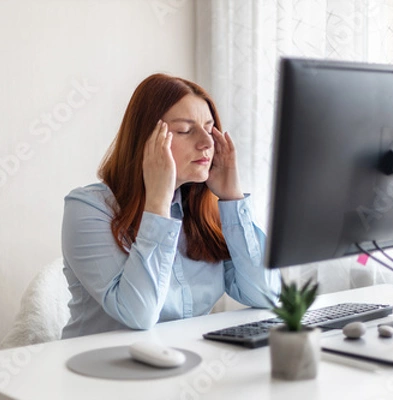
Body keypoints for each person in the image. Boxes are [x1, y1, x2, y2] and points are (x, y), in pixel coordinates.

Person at [61, 73, 280, 338]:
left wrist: (232, 197)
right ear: (145, 142)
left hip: (185, 367)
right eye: (185, 131)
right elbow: (138, 314)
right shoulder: (88, 208)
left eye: (210, 128)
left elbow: (265, 295)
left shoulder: (204, 211)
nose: (207, 142)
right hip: (102, 370)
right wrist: (157, 203)